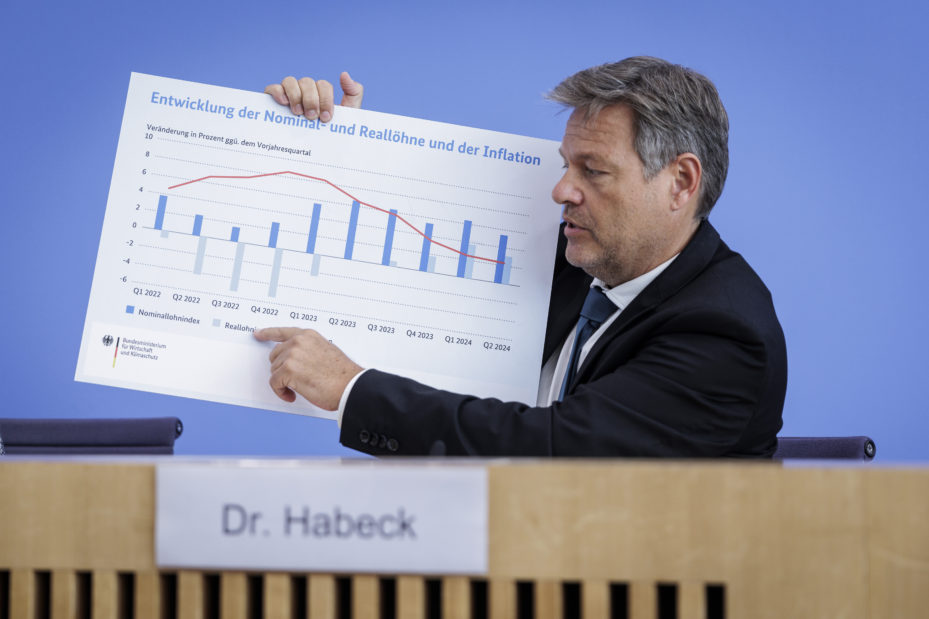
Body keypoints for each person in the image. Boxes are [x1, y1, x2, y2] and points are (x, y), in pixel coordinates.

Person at [255, 57, 787, 457]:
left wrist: (351, 389)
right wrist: (343, 158)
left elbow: (552, 450)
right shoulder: (576, 257)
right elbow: (412, 270)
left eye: (593, 171)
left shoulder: (723, 330)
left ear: (681, 182)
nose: (561, 191)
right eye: (565, 165)